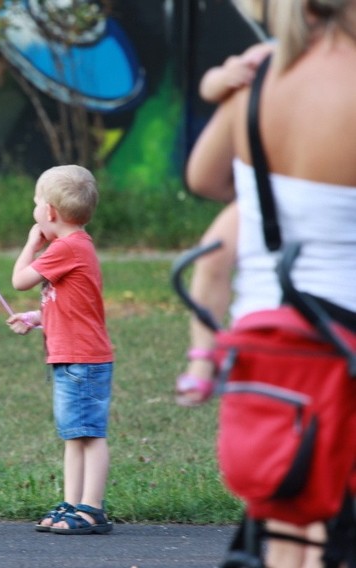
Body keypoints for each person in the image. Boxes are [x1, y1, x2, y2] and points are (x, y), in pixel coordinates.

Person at [185, 0, 356, 565]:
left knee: (286, 518)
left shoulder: (261, 80)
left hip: (267, 336)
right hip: (346, 336)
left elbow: (204, 177)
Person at [5, 165, 114, 535]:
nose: (34, 211)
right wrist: (37, 317)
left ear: (49, 212)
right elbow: (73, 303)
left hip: (82, 360)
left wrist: (30, 245)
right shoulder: (75, 247)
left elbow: (20, 280)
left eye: (36, 203)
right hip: (73, 357)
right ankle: (73, 504)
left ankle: (91, 509)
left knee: (90, 435)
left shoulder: (65, 247)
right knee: (74, 435)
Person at [175, 38, 275, 407]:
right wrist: (228, 77)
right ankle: (203, 356)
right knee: (212, 256)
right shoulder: (266, 54)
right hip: (258, 192)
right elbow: (208, 85)